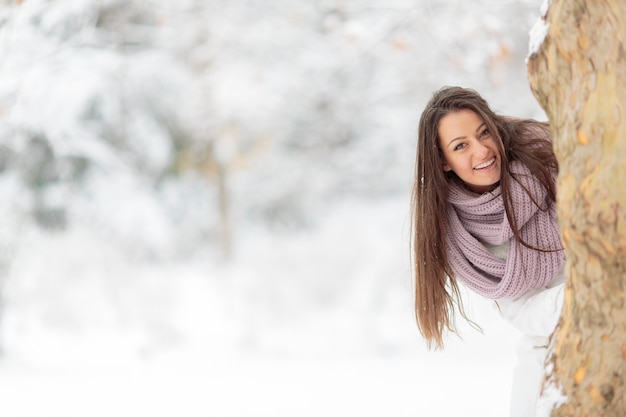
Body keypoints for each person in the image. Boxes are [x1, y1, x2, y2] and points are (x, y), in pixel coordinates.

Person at [410, 86, 566, 417]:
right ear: (443, 162)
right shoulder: (460, 234)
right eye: (461, 146)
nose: (482, 150)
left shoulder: (548, 156)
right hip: (548, 340)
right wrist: (583, 295)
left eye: (484, 134)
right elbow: (522, 311)